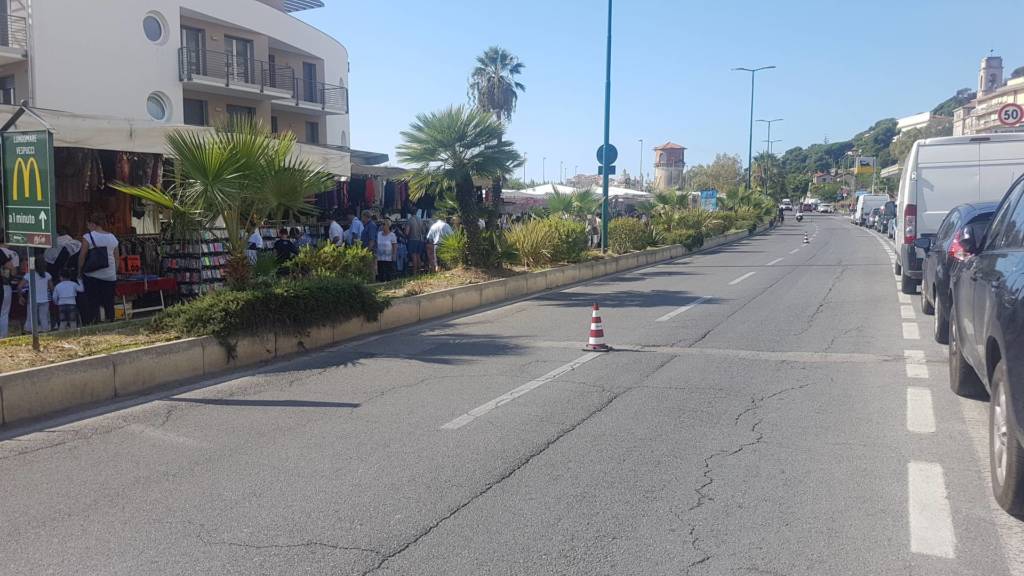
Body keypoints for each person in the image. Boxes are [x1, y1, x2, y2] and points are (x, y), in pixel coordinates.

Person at [78, 213, 119, 325]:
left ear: (92, 224)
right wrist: (114, 272)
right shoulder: (112, 237)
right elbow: (116, 258)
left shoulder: (88, 237)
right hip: (110, 275)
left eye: (88, 224)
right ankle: (111, 320)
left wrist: (80, 271)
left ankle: (93, 322)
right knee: (109, 301)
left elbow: (82, 256)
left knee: (92, 301)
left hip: (92, 275)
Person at [18, 255, 53, 332]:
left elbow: (20, 286)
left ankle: (30, 332)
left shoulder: (29, 274)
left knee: (30, 318)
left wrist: (20, 296)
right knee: (44, 318)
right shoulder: (47, 275)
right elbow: (51, 288)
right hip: (44, 299)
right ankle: (45, 332)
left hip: (32, 300)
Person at [0, 235, 18, 338]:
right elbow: (14, 271)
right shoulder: (13, 254)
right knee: (4, 313)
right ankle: (3, 336)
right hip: (5, 285)